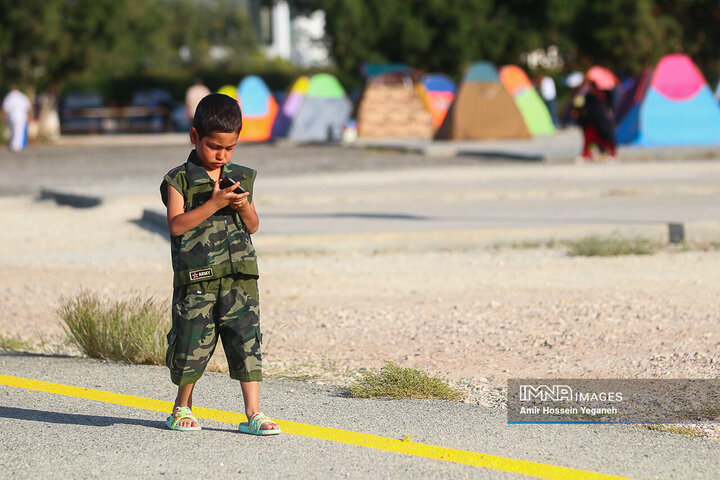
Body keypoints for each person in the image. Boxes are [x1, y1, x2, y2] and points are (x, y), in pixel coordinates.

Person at [160, 93, 280, 435]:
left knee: (246, 341)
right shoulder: (178, 179)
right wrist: (214, 203)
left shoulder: (240, 176)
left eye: (230, 148)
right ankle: (182, 407)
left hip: (240, 277)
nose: (222, 155)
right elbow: (176, 225)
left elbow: (254, 225)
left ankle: (253, 412)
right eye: (214, 146)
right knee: (191, 342)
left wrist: (242, 205)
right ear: (195, 136)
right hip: (197, 279)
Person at [571, 80, 617, 163]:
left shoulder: (601, 94)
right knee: (590, 139)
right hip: (589, 121)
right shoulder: (583, 95)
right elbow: (578, 105)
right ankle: (588, 154)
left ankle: (610, 154)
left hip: (600, 121)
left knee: (604, 138)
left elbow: (607, 105)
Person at [2, 85, 32, 152]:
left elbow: (5, 108)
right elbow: (28, 107)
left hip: (12, 117)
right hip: (21, 117)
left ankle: (14, 145)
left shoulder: (9, 96)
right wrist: (30, 117)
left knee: (13, 131)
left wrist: (3, 117)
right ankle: (16, 146)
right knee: (19, 132)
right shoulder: (22, 96)